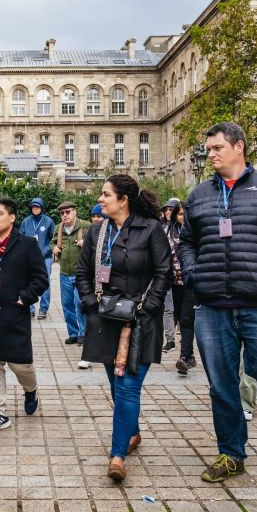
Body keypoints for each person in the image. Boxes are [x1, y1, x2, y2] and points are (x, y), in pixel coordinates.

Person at [179, 122, 257, 483]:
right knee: (221, 385)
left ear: (239, 147)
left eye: (218, 147)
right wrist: (193, 273)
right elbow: (187, 240)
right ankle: (232, 453)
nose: (211, 154)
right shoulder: (200, 194)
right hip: (213, 304)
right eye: (208, 149)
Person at [76, 175, 171, 481]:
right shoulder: (96, 232)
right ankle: (133, 433)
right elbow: (82, 272)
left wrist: (149, 306)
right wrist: (91, 303)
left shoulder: (151, 228)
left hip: (141, 320)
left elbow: (163, 270)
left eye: (106, 194)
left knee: (128, 385)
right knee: (118, 387)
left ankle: (117, 455)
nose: (101, 199)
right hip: (105, 319)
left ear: (123, 199)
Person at [0, 197, 50, 434]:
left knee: (20, 364)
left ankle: (31, 389)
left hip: (15, 313)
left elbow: (40, 279)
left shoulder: (26, 244)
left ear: (12, 218)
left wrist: (24, 297)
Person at [52, 201, 91, 370]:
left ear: (75, 212)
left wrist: (86, 244)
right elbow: (52, 242)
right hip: (64, 272)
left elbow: (97, 245)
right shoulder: (58, 228)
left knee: (79, 303)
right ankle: (73, 333)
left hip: (81, 273)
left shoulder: (86, 226)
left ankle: (83, 334)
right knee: (67, 304)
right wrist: (54, 248)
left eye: (68, 212)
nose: (65, 215)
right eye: (62, 213)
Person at [165, 202, 198, 375]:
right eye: (179, 214)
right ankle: (190, 355)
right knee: (179, 316)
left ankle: (185, 356)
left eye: (185, 214)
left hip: (190, 281)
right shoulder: (168, 232)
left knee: (186, 318)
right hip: (174, 281)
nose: (182, 217)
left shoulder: (196, 232)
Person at [20, 198, 55, 319]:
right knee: (28, 282)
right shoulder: (26, 221)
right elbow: (21, 239)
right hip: (29, 258)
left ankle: (43, 309)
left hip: (45, 257)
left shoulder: (48, 221)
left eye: (38, 207)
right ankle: (30, 308)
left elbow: (52, 240)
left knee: (45, 283)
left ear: (42, 208)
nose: (35, 209)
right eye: (33, 207)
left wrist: (46, 250)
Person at [160, 199, 179, 353]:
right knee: (168, 308)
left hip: (181, 275)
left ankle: (186, 347)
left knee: (180, 311)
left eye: (170, 210)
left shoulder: (183, 228)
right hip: (166, 272)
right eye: (166, 210)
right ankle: (170, 340)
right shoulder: (160, 228)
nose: (168, 212)